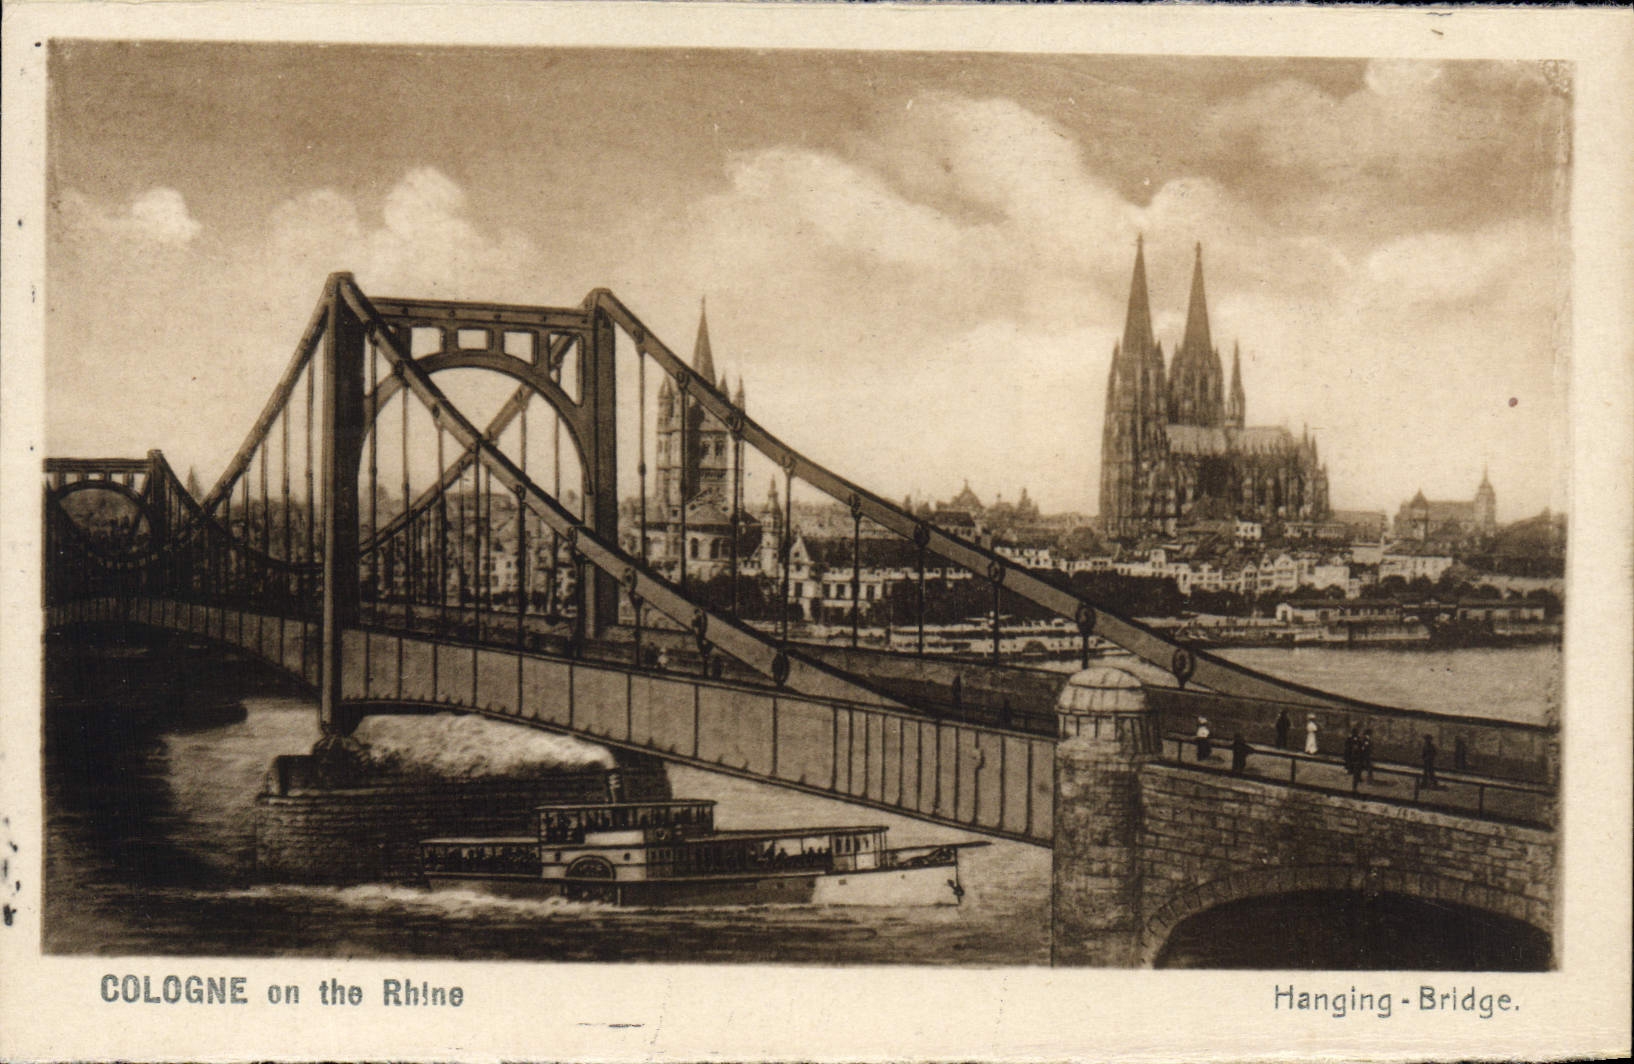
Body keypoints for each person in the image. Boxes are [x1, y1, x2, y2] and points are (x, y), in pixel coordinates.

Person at [1343, 727, 1363, 792]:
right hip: (1352, 755)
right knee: (1353, 765)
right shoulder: (1352, 739)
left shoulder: (1356, 739)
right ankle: (1350, 771)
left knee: (1354, 766)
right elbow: (1347, 746)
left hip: (1354, 755)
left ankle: (1353, 774)